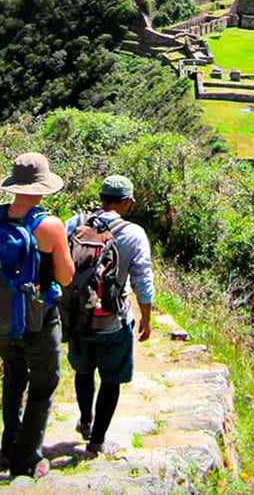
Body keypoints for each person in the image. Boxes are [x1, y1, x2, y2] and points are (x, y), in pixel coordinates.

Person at [0, 153, 74, 478]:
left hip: (0, 316)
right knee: (43, 383)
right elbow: (65, 277)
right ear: (42, 188)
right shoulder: (49, 226)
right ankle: (27, 458)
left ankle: (9, 448)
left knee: (13, 375)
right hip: (39, 317)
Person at [65, 175, 154, 454]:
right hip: (114, 321)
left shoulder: (75, 224)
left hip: (78, 316)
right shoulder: (133, 233)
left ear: (102, 197)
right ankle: (97, 440)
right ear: (126, 201)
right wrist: (146, 317)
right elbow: (142, 279)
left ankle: (86, 420)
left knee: (83, 371)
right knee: (111, 379)